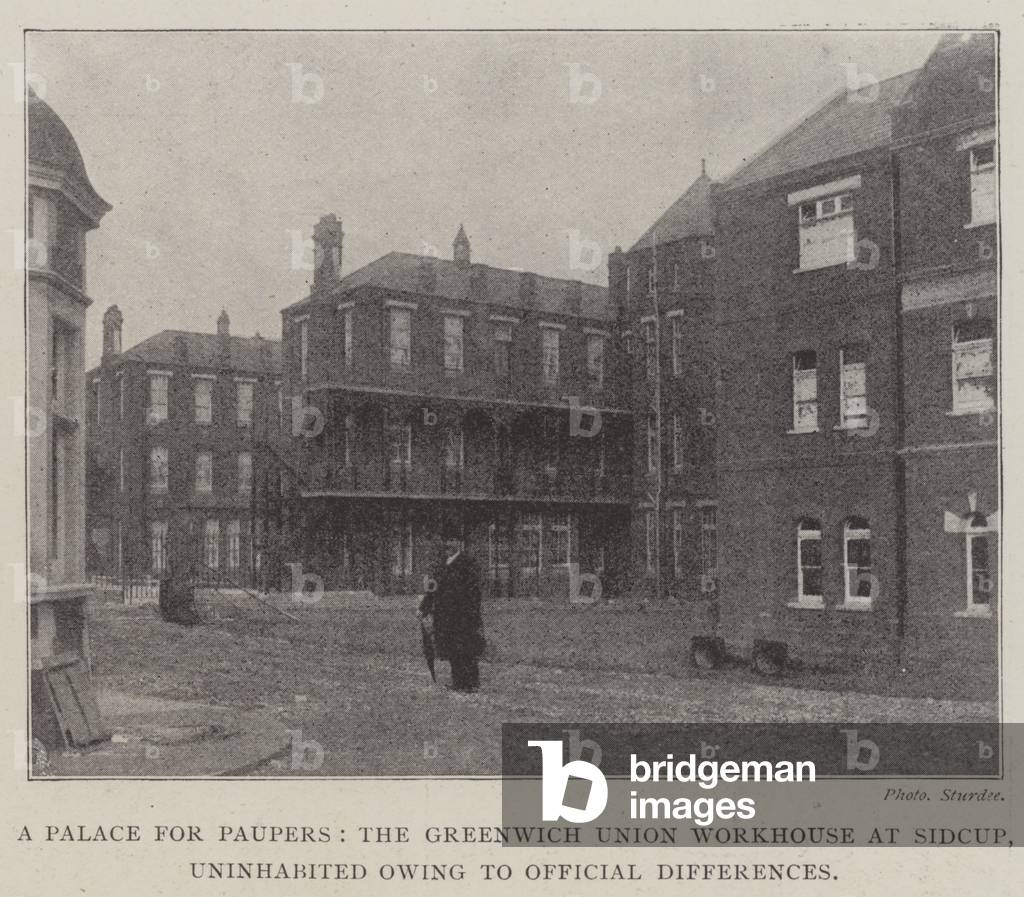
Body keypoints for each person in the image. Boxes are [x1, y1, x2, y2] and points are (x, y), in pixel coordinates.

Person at [418, 530, 484, 692]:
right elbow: (433, 588)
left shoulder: (467, 563)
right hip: (445, 614)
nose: (448, 544)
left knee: (466, 648)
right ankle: (458, 681)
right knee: (452, 648)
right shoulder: (442, 565)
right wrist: (423, 608)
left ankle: (471, 683)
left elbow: (474, 591)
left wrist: (471, 613)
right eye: (447, 540)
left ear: (460, 543)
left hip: (463, 614)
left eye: (453, 540)